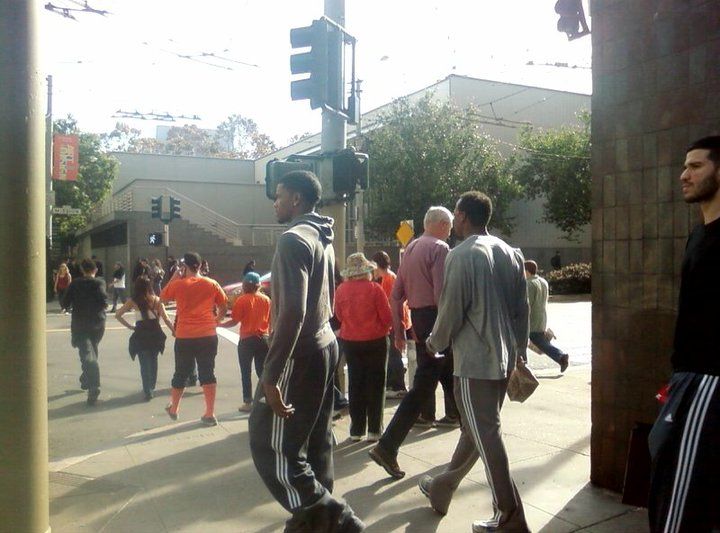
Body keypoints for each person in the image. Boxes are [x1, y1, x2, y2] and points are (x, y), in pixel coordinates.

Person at [249, 170, 364, 532]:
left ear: (296, 199)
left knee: (272, 446)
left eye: (279, 195)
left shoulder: (292, 239)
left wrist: (270, 375)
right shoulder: (322, 236)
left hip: (299, 352)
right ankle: (310, 522)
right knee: (316, 442)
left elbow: (293, 312)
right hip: (325, 345)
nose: (275, 202)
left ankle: (334, 518)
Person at [418, 191, 530, 533]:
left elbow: (451, 309)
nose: (454, 220)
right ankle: (443, 486)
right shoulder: (510, 253)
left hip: (474, 362)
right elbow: (522, 309)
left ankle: (509, 516)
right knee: (477, 430)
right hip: (503, 359)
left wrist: (434, 342)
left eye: (456, 214)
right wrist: (520, 351)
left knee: (485, 434)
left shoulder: (461, 255)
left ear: (464, 216)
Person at [648, 136, 720, 533]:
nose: (684, 175)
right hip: (687, 379)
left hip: (709, 381)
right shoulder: (698, 236)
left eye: (696, 166)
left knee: (676, 499)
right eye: (684, 166)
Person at [368, 206, 460, 480]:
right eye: (450, 226)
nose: (451, 231)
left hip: (420, 320)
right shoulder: (440, 249)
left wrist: (399, 331)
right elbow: (443, 295)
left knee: (447, 375)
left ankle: (466, 427)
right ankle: (387, 446)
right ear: (443, 225)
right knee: (425, 384)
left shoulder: (411, 249)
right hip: (436, 320)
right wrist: (450, 328)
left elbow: (396, 296)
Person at [160, 252, 227, 426]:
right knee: (207, 372)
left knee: (181, 373)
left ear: (185, 267)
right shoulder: (211, 283)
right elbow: (223, 304)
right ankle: (210, 413)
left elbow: (162, 297)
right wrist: (216, 320)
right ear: (200, 265)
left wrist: (175, 275)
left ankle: (174, 408)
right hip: (207, 334)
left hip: (185, 335)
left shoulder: (179, 285)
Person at [335, 253, 392, 442]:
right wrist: (384, 329)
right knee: (376, 384)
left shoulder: (341, 290)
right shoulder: (375, 289)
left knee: (356, 383)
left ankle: (356, 430)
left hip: (351, 341)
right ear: (367, 270)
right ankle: (374, 430)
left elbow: (339, 316)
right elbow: (387, 317)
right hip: (376, 340)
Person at [115, 275, 175, 401]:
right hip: (155, 334)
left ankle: (147, 389)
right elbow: (166, 319)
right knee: (153, 361)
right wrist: (174, 331)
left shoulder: (133, 301)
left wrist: (130, 326)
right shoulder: (157, 300)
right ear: (150, 286)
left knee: (144, 363)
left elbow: (118, 314)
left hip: (141, 333)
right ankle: (151, 387)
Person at [220, 271, 271, 413]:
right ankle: (267, 397)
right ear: (258, 285)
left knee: (246, 371)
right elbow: (271, 320)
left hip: (247, 340)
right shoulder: (266, 300)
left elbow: (234, 321)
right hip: (263, 339)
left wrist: (219, 324)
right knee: (263, 371)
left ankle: (248, 402)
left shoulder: (242, 300)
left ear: (244, 285)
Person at [60, 258, 108, 406]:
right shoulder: (100, 282)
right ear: (95, 270)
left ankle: (93, 385)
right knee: (92, 350)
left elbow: (65, 302)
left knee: (87, 355)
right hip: (98, 324)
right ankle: (86, 378)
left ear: (82, 270)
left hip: (81, 324)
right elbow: (104, 301)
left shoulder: (75, 284)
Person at [372, 251, 412, 399]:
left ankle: (397, 385)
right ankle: (395, 384)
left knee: (394, 354)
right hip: (396, 321)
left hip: (394, 322)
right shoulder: (389, 277)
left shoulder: (388, 279)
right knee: (394, 354)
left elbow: (390, 304)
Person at [524, 260, 569, 372]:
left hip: (532, 320)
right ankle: (560, 357)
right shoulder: (543, 281)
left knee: (535, 342)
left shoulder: (529, 284)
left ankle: (561, 356)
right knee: (540, 341)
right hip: (542, 318)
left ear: (527, 271)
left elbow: (527, 304)